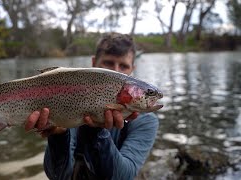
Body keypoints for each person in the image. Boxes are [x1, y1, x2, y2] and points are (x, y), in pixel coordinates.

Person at [24, 32, 159, 180]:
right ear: (94, 63)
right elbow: (59, 176)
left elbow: (123, 176)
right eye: (108, 63)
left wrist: (97, 132)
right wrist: (58, 136)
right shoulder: (71, 104)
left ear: (132, 69)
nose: (115, 71)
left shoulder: (146, 121)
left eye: (123, 66)